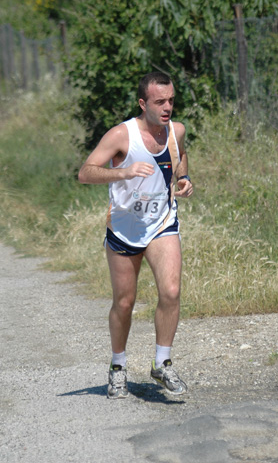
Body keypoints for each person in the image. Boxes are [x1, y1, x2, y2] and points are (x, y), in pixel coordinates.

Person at [78, 71, 193, 399]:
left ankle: (162, 362)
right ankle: (117, 366)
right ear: (143, 103)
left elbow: (180, 156)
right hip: (124, 230)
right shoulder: (121, 135)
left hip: (161, 223)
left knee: (170, 291)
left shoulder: (176, 131)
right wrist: (123, 171)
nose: (167, 107)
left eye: (171, 100)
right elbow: (85, 172)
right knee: (124, 303)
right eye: (159, 102)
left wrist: (183, 179)